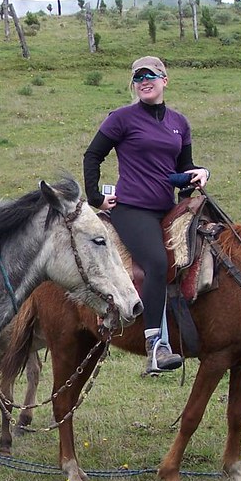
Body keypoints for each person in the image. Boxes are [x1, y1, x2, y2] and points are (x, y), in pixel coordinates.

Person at [83, 56, 210, 376]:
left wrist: (199, 174)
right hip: (132, 209)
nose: (144, 81)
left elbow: (182, 168)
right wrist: (97, 197)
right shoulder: (122, 118)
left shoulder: (179, 122)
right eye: (138, 78)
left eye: (150, 75)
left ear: (165, 80)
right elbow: (93, 155)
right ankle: (156, 346)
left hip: (166, 208)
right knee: (156, 262)